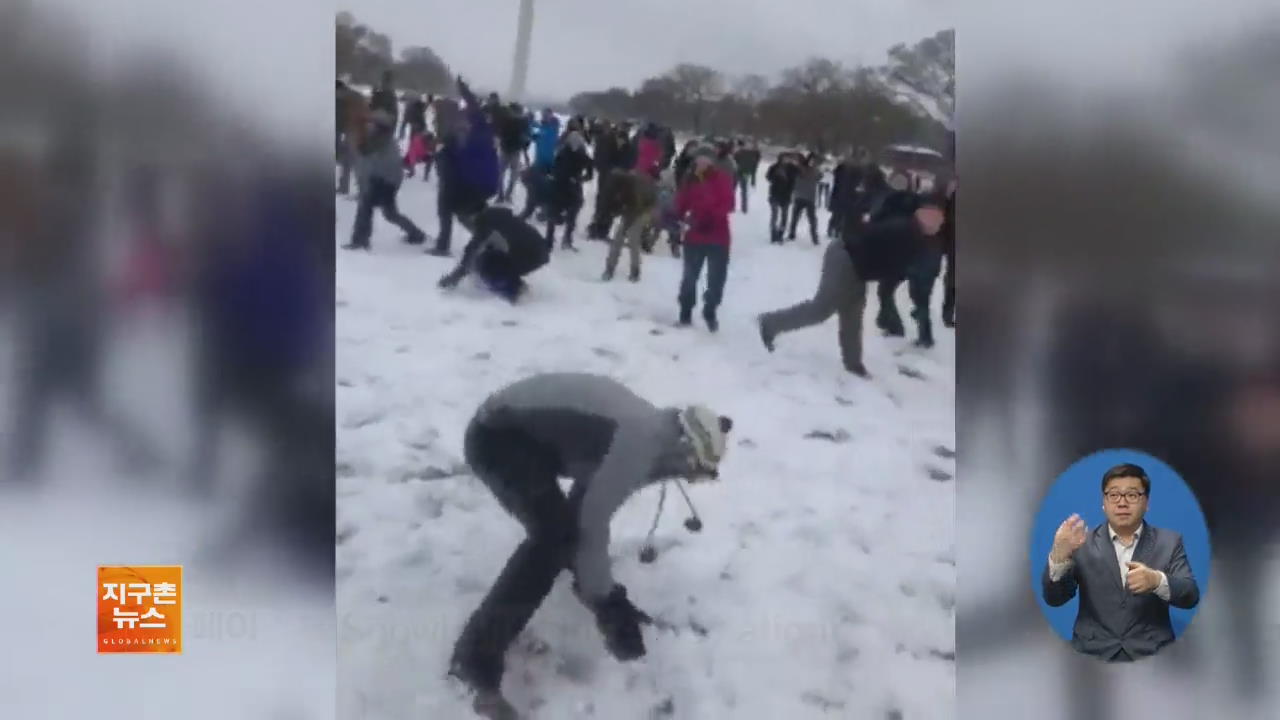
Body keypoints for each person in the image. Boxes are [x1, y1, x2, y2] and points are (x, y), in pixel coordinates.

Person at [448, 372, 733, 712]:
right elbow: (593, 522)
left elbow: (587, 507)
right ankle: (473, 660)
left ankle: (586, 591)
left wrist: (600, 593)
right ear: (686, 445)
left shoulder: (653, 432)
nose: (690, 478)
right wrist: (605, 601)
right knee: (552, 537)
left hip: (527, 445)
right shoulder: (638, 442)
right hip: (496, 439)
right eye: (694, 468)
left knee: (567, 533)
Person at [757, 194, 947, 376]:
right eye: (933, 218)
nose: (938, 224)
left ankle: (853, 363)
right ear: (922, 216)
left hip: (858, 268)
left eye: (940, 220)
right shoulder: (902, 229)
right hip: (846, 258)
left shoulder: (916, 236)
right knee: (822, 309)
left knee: (852, 315)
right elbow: (868, 238)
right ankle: (769, 323)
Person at [1042, 463, 1201, 662]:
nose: (1122, 503)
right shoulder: (1080, 542)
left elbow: (1190, 595)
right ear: (1104, 503)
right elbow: (1055, 599)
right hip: (1093, 655)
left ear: (1147, 502)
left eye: (1132, 495)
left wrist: (1156, 581)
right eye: (1114, 495)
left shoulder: (1169, 542)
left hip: (1152, 655)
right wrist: (1059, 557)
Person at [428, 79, 500, 257]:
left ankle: (445, 245)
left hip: (473, 183)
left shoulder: (474, 131)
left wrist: (465, 91)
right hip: (483, 183)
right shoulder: (477, 131)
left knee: (448, 208)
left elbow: (455, 158)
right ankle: (491, 240)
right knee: (465, 213)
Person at [344, 110, 426, 250]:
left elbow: (365, 154)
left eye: (371, 123)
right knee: (390, 213)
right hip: (387, 181)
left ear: (378, 125)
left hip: (383, 180)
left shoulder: (380, 139)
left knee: (365, 208)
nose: (369, 125)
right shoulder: (380, 138)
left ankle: (360, 240)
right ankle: (416, 234)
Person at [675, 147, 734, 331]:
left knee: (716, 279)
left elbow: (728, 204)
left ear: (711, 163)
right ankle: (685, 312)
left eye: (704, 161)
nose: (700, 164)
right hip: (694, 236)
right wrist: (671, 215)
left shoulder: (722, 179)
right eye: (697, 161)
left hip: (718, 237)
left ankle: (710, 309)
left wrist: (709, 218)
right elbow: (681, 203)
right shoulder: (690, 180)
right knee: (689, 277)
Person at [437, 205, 549, 304]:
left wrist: (454, 278)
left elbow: (471, 251)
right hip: (538, 251)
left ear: (471, 216)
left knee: (486, 262)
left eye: (464, 222)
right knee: (487, 256)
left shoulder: (485, 223)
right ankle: (514, 285)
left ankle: (514, 293)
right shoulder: (494, 216)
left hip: (532, 254)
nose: (466, 226)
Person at [602, 168, 658, 282]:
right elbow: (616, 203)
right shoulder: (618, 184)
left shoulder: (634, 186)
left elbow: (639, 206)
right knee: (618, 240)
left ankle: (634, 271)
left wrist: (626, 223)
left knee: (633, 240)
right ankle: (610, 268)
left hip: (642, 210)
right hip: (632, 209)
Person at [544, 130, 593, 250]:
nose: (575, 145)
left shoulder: (582, 155)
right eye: (573, 142)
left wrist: (579, 179)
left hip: (572, 187)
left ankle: (566, 239)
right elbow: (555, 168)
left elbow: (590, 172)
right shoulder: (563, 152)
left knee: (573, 211)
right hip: (560, 185)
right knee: (553, 211)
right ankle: (549, 239)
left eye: (577, 142)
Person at [496, 102, 529, 204]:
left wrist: (525, 151)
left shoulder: (522, 122)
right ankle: (502, 195)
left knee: (511, 175)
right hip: (508, 150)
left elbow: (525, 137)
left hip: (513, 150)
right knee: (501, 174)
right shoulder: (506, 121)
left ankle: (506, 194)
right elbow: (500, 133)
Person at [765, 153, 799, 244]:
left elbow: (799, 175)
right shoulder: (774, 167)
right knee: (775, 215)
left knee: (784, 216)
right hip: (775, 193)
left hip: (786, 195)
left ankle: (780, 234)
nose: (786, 160)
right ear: (780, 159)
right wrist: (776, 176)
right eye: (784, 158)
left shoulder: (793, 169)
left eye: (788, 158)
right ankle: (773, 234)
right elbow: (768, 177)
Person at [789, 154, 821, 244]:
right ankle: (814, 237)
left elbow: (819, 177)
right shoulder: (807, 169)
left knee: (799, 218)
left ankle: (793, 234)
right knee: (809, 219)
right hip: (805, 197)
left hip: (805, 197)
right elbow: (818, 177)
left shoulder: (809, 170)